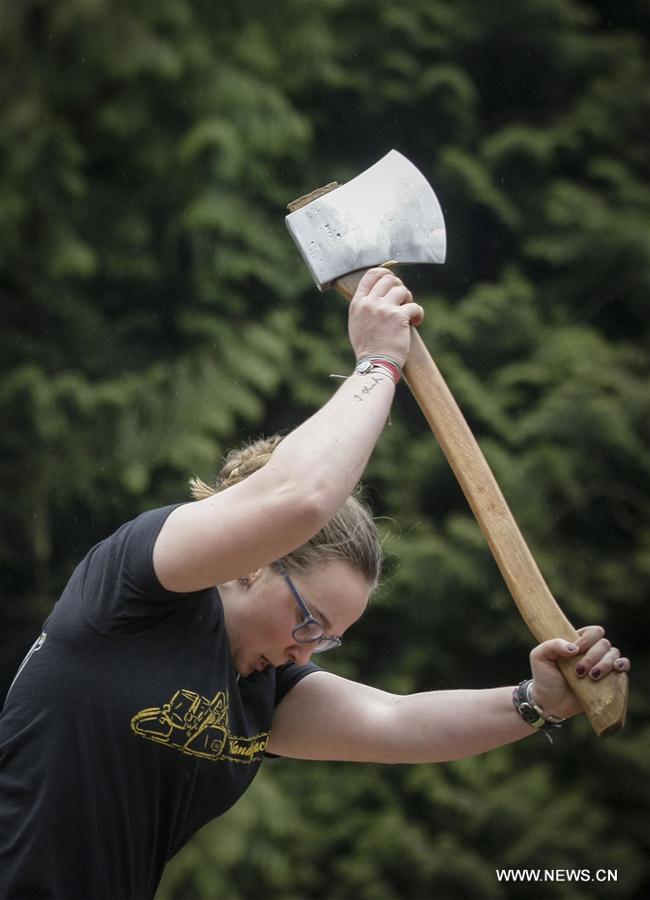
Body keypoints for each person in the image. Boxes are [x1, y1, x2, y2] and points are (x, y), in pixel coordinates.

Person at [0, 268, 630, 899]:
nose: (305, 650)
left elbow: (397, 724)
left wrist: (537, 700)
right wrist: (379, 362)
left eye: (326, 640)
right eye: (308, 621)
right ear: (256, 562)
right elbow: (300, 498)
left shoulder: (259, 693)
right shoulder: (139, 588)